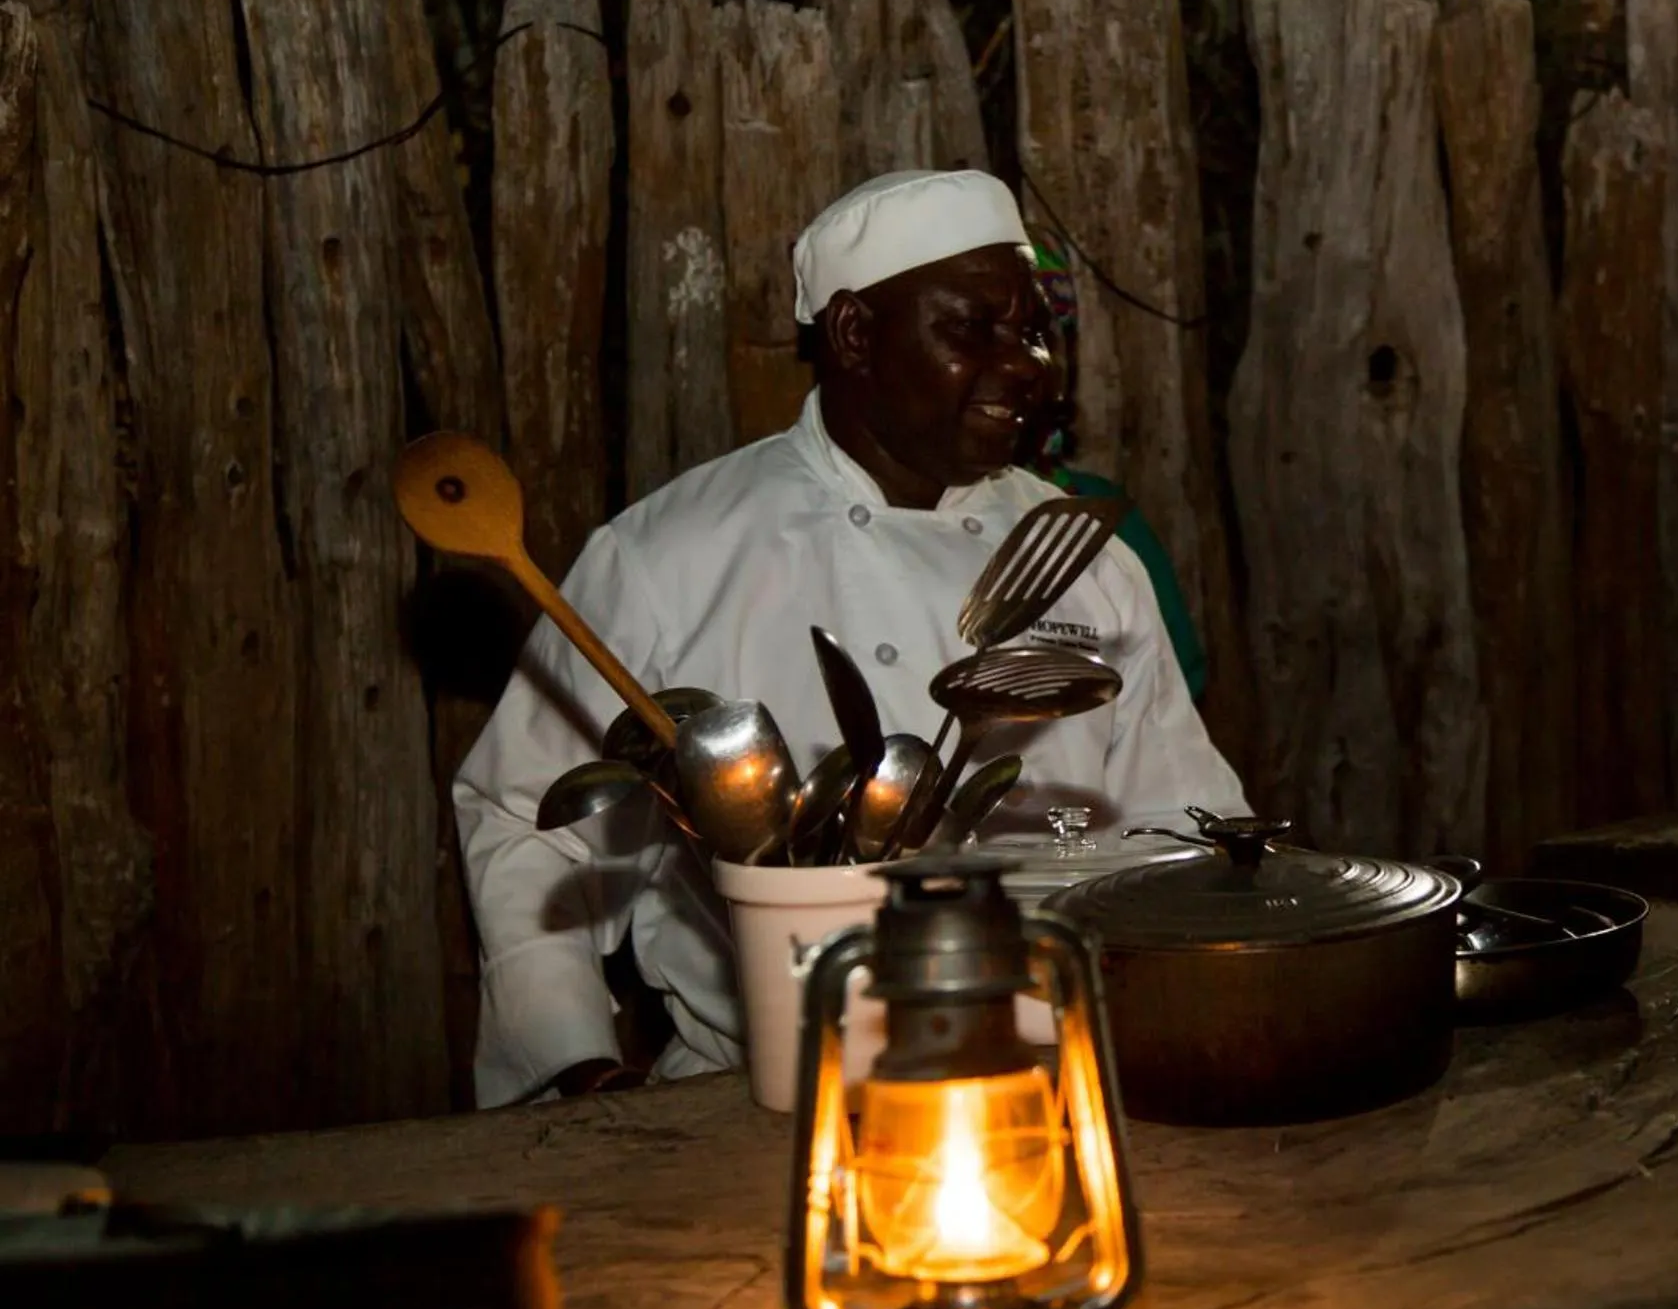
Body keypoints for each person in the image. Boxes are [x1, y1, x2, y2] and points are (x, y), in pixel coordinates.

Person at [453, 169, 1251, 1107]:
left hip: (1057, 1073)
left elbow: (1182, 827)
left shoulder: (1084, 558)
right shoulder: (668, 553)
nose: (1028, 362)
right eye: (972, 328)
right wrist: (574, 1061)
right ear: (855, 336)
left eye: (1034, 329)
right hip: (758, 1097)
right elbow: (521, 818)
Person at [1024, 228, 1210, 704]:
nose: (1016, 365)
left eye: (1043, 336)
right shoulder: (894, 515)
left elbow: (1173, 699)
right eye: (979, 337)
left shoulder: (1105, 520)